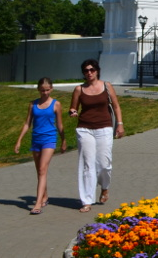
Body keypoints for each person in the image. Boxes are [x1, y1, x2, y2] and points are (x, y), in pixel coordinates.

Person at [69, 58, 124, 212]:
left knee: (104, 164)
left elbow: (116, 106)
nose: (89, 73)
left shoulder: (107, 86)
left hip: (104, 128)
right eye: (86, 70)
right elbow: (73, 107)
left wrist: (119, 124)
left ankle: (105, 187)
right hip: (85, 129)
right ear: (83, 73)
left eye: (92, 69)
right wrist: (72, 112)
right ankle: (87, 200)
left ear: (97, 71)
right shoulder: (79, 89)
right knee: (87, 165)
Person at [14, 77, 65, 214]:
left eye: (47, 90)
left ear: (51, 89)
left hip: (49, 139)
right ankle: (45, 196)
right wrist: (19, 140)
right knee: (40, 171)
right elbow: (27, 124)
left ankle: (37, 204)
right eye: (42, 90)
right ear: (38, 90)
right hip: (36, 139)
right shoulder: (33, 105)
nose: (45, 93)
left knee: (43, 169)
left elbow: (60, 124)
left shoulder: (56, 104)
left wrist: (63, 140)